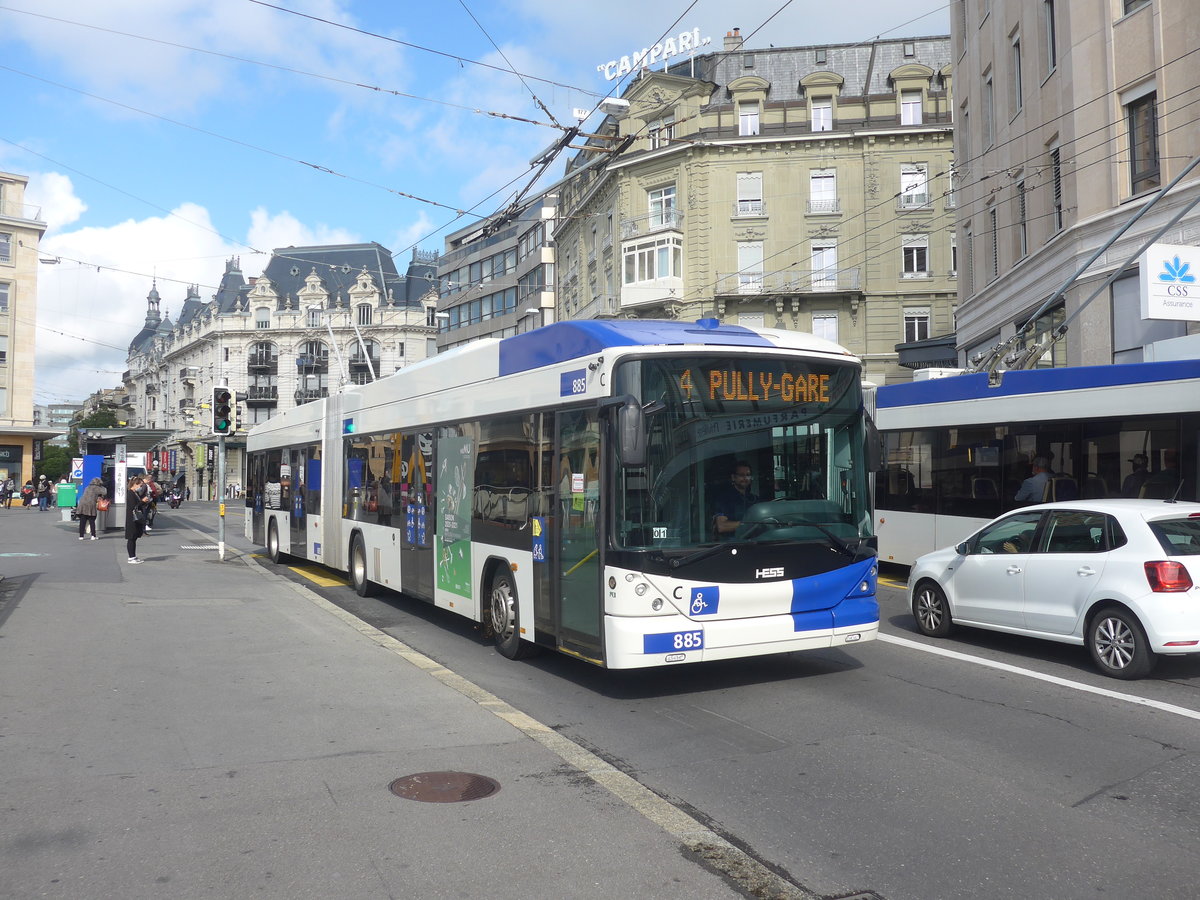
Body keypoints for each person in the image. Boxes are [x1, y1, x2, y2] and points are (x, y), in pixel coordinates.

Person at [713, 460, 760, 537]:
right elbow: (722, 526)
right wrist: (749, 524)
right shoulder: (723, 499)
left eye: (748, 475)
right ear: (733, 477)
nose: (745, 478)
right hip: (732, 544)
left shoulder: (755, 499)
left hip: (755, 542)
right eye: (741, 475)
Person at [125, 475, 151, 564]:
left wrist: (144, 502)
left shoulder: (134, 493)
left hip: (135, 518)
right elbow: (133, 506)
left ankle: (133, 556)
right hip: (132, 518)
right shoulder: (130, 493)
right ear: (135, 484)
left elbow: (138, 505)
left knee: (134, 537)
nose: (140, 487)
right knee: (131, 538)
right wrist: (142, 501)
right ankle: (131, 557)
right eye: (140, 485)